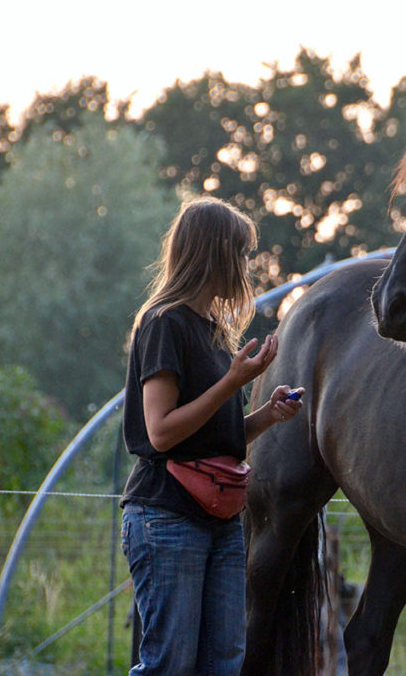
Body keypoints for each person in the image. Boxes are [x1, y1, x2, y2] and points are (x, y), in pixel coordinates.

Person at [120, 196, 303, 675]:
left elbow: (214, 440)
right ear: (214, 253)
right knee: (169, 665)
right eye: (241, 253)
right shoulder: (164, 323)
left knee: (223, 665)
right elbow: (161, 434)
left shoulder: (215, 333)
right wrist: (232, 382)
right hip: (166, 516)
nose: (247, 264)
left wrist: (267, 413)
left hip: (220, 520)